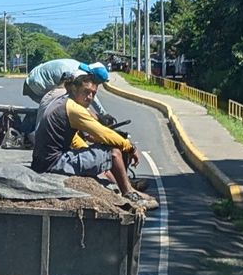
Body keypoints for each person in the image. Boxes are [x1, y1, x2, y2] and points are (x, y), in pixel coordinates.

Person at [31, 65, 155, 207]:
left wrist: (89, 147)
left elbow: (84, 136)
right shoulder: (73, 109)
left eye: (93, 94)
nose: (89, 97)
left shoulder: (64, 102)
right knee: (113, 152)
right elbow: (103, 134)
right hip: (54, 163)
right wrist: (130, 147)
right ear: (73, 89)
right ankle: (129, 193)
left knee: (102, 149)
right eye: (86, 92)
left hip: (43, 161)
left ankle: (125, 187)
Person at [24, 58, 116, 124]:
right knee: (60, 108)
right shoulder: (77, 75)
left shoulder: (81, 68)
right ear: (93, 77)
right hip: (35, 85)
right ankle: (36, 133)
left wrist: (103, 113)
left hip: (35, 79)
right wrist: (97, 117)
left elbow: (89, 96)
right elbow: (80, 101)